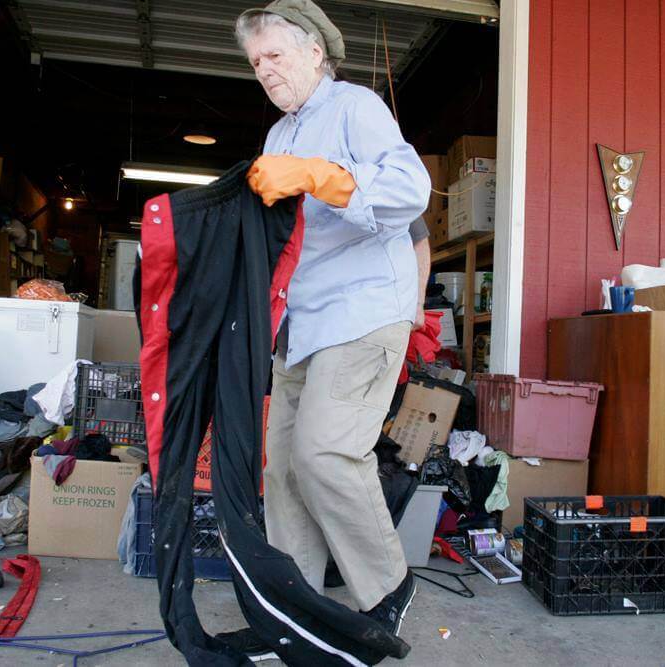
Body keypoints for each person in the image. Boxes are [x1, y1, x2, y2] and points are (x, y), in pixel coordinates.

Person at [220, 0, 431, 659]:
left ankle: (386, 588)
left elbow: (409, 188)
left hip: (364, 308)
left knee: (324, 452)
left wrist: (321, 174)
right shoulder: (277, 135)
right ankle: (293, 607)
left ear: (314, 51)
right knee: (280, 467)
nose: (264, 70)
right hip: (300, 318)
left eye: (275, 55)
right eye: (255, 62)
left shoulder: (354, 107)